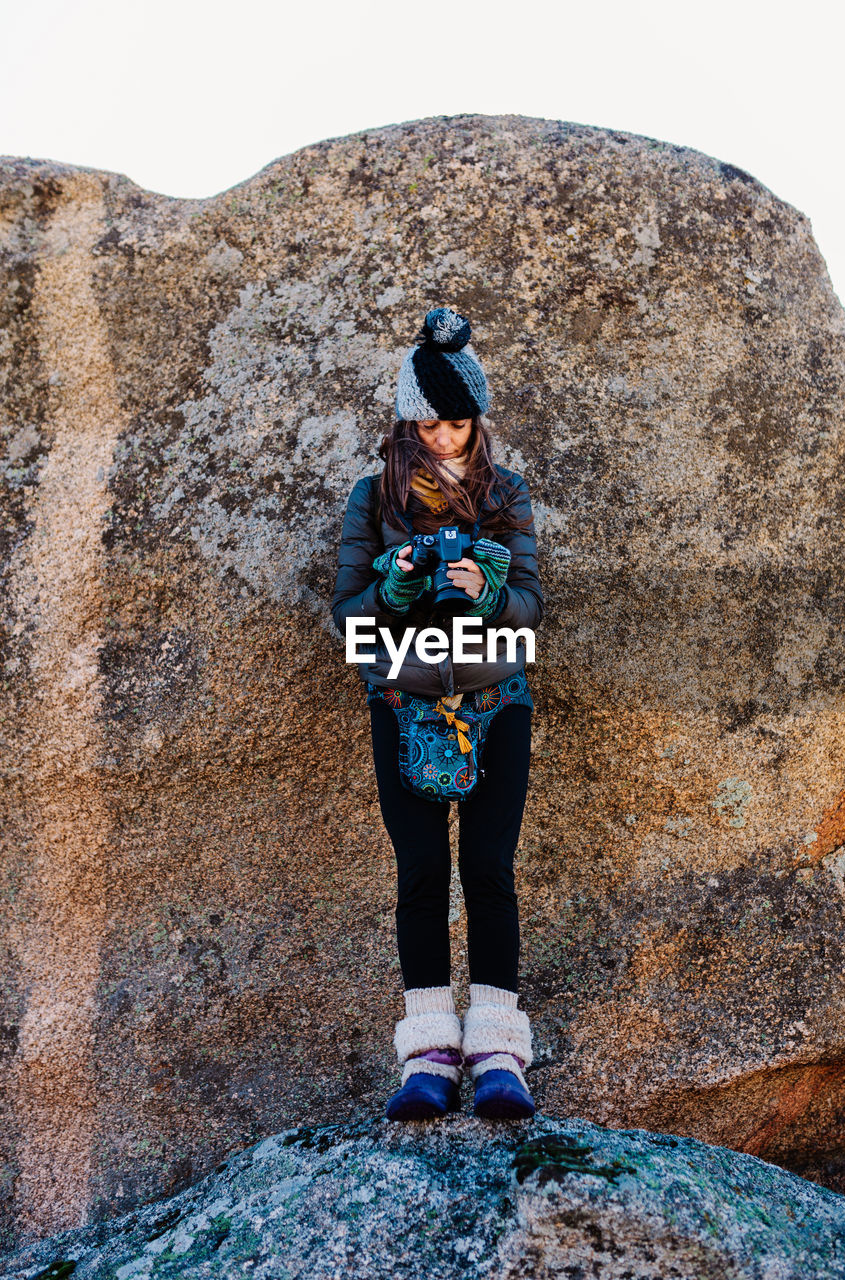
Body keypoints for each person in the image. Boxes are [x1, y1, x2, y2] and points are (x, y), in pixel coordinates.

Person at [331, 306, 544, 1121]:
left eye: (459, 422)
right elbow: (344, 618)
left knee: (488, 873)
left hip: (497, 701)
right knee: (421, 876)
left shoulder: (506, 493)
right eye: (431, 423)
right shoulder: (370, 497)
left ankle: (498, 1055)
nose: (447, 438)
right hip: (402, 702)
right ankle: (426, 1057)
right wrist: (396, 585)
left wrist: (484, 591)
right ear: (406, 420)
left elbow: (529, 606)